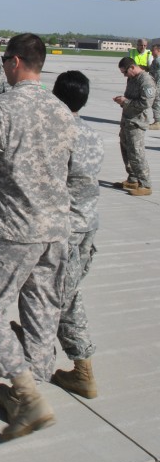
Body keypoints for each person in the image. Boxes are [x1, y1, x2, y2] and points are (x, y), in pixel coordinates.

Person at [0, 33, 77, 440]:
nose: (5, 65)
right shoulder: (62, 111)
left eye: (7, 59)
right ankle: (34, 382)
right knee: (42, 310)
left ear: (16, 63)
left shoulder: (0, 108)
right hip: (55, 229)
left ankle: (27, 396)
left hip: (11, 228)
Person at [50, 71, 104, 399]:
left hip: (66, 230)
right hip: (87, 226)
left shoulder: (59, 134)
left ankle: (83, 368)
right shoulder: (91, 133)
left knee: (64, 298)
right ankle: (33, 332)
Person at [113, 57, 154, 196]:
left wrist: (127, 101)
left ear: (132, 67)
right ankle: (133, 179)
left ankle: (145, 184)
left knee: (137, 153)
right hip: (127, 120)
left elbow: (146, 103)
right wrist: (122, 101)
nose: (124, 75)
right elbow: (129, 97)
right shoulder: (131, 79)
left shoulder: (146, 80)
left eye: (125, 72)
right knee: (126, 150)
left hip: (136, 122)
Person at [148, 44, 160, 130]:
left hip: (157, 86)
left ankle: (158, 122)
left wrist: (156, 85)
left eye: (153, 50)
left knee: (156, 103)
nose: (151, 52)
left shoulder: (158, 61)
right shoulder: (156, 60)